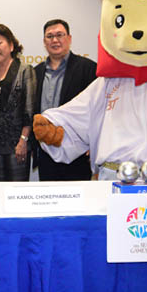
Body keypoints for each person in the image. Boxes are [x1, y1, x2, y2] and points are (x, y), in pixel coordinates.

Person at [32, 19, 97, 181]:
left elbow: (98, 109)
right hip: (46, 150)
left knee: (78, 200)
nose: (55, 40)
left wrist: (93, 143)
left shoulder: (88, 68)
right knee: (48, 201)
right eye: (50, 36)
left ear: (69, 38)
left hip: (78, 150)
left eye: (59, 35)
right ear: (44, 42)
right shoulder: (35, 73)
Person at [0, 24, 36, 181]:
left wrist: (23, 140)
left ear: (11, 45)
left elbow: (29, 109)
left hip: (17, 144)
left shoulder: (25, 70)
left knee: (16, 194)